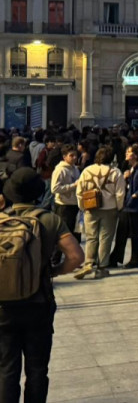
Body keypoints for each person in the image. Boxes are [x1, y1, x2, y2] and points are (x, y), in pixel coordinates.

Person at [0, 168, 83, 403]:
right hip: (39, 302)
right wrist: (53, 272)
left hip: (4, 306)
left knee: (6, 369)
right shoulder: (50, 220)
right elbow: (76, 257)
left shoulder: (1, 219)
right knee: (37, 370)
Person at [74, 146, 125, 280]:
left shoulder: (87, 170)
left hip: (90, 208)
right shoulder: (116, 172)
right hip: (109, 209)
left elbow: (79, 191)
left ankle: (89, 262)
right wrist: (119, 207)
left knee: (91, 237)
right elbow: (120, 194)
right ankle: (102, 268)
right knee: (105, 238)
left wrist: (82, 206)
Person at [108, 145, 138, 268]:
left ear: (136, 155)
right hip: (126, 204)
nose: (127, 154)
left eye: (129, 152)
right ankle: (116, 257)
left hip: (136, 205)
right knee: (121, 231)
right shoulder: (129, 167)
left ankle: (134, 258)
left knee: (135, 233)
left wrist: (136, 195)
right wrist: (125, 177)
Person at [50, 144, 81, 256]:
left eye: (75, 155)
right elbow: (54, 188)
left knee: (74, 233)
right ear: (64, 157)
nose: (74, 158)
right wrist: (72, 186)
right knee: (62, 235)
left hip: (75, 204)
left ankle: (73, 257)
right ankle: (55, 258)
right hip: (63, 205)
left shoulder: (75, 169)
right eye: (71, 155)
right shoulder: (60, 170)